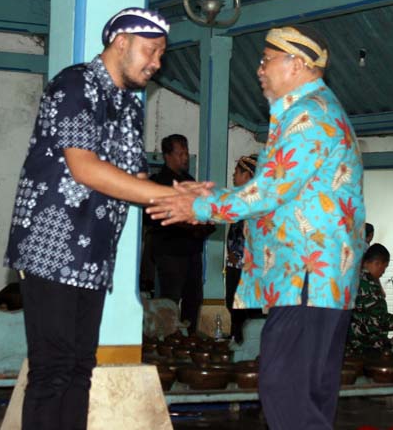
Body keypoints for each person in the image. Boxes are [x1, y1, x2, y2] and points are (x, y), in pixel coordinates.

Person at [147, 24, 366, 430]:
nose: (260, 69)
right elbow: (277, 188)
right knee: (307, 394)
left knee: (283, 387)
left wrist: (199, 205)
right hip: (312, 279)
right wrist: (211, 196)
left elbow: (268, 192)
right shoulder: (311, 111)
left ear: (295, 64)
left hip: (308, 276)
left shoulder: (309, 116)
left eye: (267, 60)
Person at [2, 8, 185, 430]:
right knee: (52, 370)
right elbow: (84, 167)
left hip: (94, 256)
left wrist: (185, 199)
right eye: (151, 51)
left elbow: (135, 181)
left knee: (80, 367)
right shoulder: (75, 84)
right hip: (51, 246)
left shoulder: (129, 107)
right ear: (121, 42)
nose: (157, 63)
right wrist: (166, 195)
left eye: (161, 54)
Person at [148, 134, 215, 334]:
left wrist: (206, 224)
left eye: (186, 153)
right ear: (167, 155)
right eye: (180, 153)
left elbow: (200, 211)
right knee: (170, 300)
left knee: (193, 299)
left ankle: (189, 338)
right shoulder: (159, 183)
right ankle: (167, 340)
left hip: (192, 251)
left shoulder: (189, 181)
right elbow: (159, 216)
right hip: (170, 251)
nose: (185, 158)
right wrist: (192, 227)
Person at [346, 243, 393, 355]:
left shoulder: (353, 277)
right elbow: (379, 320)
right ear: (377, 263)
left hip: (351, 345)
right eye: (384, 267)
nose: (383, 271)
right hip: (366, 348)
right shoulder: (369, 285)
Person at [225, 153, 258, 343]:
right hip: (235, 265)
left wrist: (241, 256)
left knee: (247, 311)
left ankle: (246, 347)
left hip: (248, 268)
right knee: (234, 307)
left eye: (237, 172)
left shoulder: (256, 202)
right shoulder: (241, 200)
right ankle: (237, 345)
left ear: (246, 176)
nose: (233, 175)